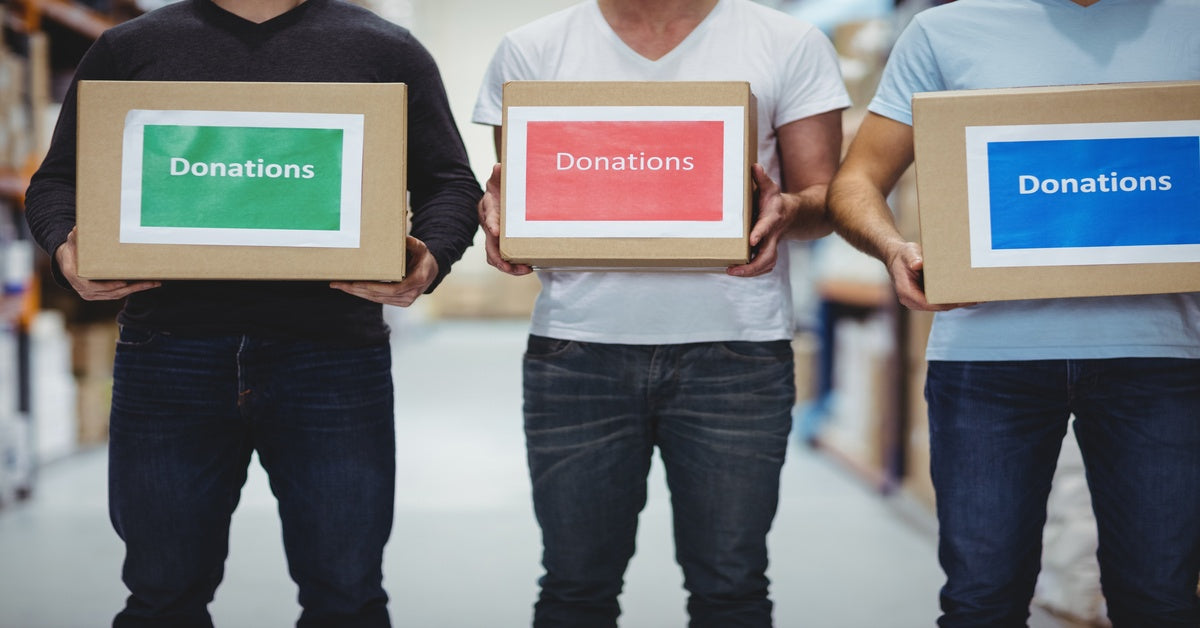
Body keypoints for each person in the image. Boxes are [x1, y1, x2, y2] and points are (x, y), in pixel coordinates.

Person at [23, 0, 481, 625]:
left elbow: (449, 181)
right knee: (163, 594)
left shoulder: (385, 50)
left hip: (333, 355)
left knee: (346, 596)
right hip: (169, 352)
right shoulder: (130, 48)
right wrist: (66, 245)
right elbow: (57, 182)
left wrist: (430, 261)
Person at [472, 1, 849, 625]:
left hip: (737, 350)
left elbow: (824, 202)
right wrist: (503, 219)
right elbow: (522, 193)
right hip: (577, 347)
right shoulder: (533, 47)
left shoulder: (788, 41)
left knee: (731, 588)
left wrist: (787, 211)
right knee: (574, 586)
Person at [826, 0, 1200, 625]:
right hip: (987, 361)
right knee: (982, 604)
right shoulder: (947, 31)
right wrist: (895, 250)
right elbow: (857, 178)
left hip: (1161, 355)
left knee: (1159, 601)